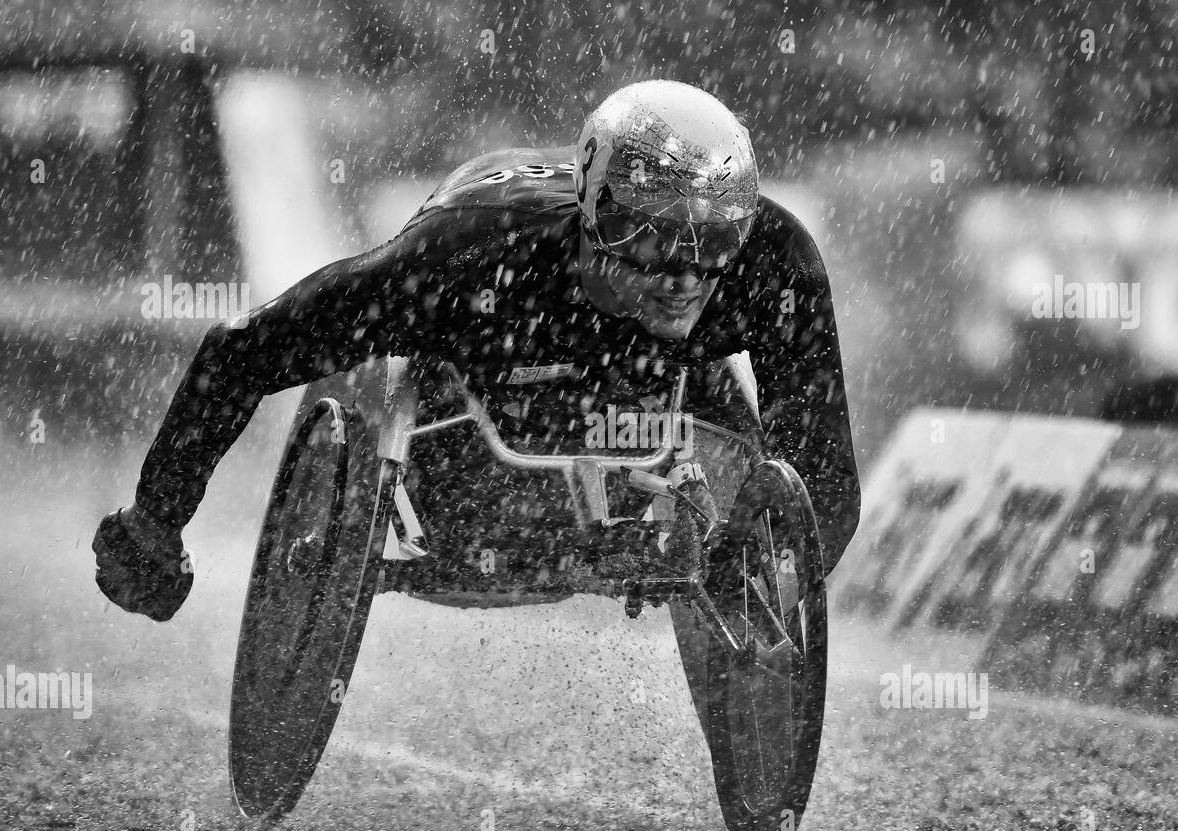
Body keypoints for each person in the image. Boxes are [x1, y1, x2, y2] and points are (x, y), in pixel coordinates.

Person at [93, 79, 860, 621]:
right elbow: (242, 350)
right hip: (479, 372)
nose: (686, 275)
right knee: (451, 454)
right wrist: (155, 524)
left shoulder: (772, 263)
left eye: (715, 240)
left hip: (660, 381)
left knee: (743, 445)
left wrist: (759, 565)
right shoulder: (469, 255)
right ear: (594, 212)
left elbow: (819, 476)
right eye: (652, 236)